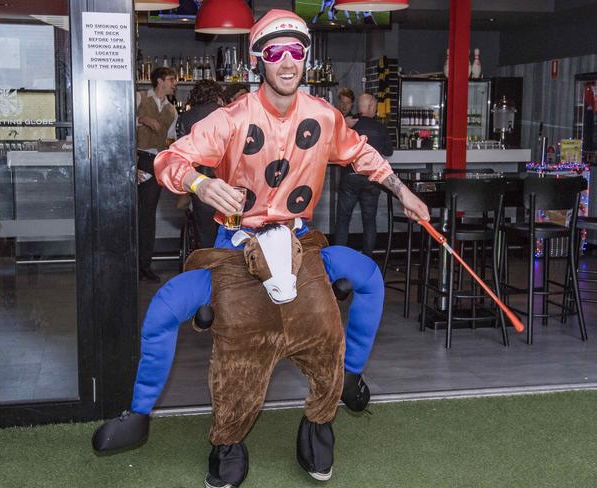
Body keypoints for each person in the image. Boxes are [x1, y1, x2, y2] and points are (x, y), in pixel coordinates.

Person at [92, 10, 429, 487]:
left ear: (306, 58)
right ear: (258, 61)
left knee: (367, 279)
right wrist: (199, 184)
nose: (287, 61)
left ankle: (337, 395)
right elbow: (170, 157)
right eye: (275, 52)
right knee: (169, 306)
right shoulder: (230, 119)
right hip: (237, 247)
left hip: (299, 242)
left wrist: (402, 191)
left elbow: (361, 153)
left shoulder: (325, 116)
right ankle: (159, 420)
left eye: (296, 51)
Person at [333, 93, 394, 258]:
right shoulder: (380, 128)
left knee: (343, 220)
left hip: (350, 178)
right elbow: (389, 151)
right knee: (369, 220)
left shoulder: (349, 125)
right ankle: (367, 259)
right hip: (371, 180)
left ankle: (338, 259)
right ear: (372, 107)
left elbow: (334, 145)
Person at [136, 67, 178, 282]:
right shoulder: (139, 98)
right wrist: (142, 119)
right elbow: (120, 125)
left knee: (147, 216)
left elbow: (170, 140)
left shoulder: (172, 110)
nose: (174, 84)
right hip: (135, 158)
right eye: (171, 80)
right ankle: (126, 264)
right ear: (160, 81)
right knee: (127, 214)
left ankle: (144, 265)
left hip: (156, 162)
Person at [176, 80, 225, 249]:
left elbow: (181, 154)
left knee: (205, 234)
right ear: (217, 95)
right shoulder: (227, 114)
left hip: (200, 182)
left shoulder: (186, 118)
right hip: (228, 182)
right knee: (229, 232)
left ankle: (206, 269)